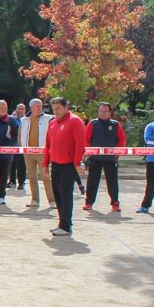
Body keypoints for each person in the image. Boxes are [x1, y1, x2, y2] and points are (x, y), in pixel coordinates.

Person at [43, 96, 86, 236]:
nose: (56, 112)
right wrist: (45, 163)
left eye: (58, 108)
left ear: (66, 107)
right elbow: (48, 144)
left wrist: (77, 162)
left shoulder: (75, 121)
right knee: (58, 195)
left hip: (68, 165)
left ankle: (65, 226)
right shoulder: (53, 123)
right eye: (54, 109)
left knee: (65, 194)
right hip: (55, 164)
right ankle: (63, 222)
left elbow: (80, 144)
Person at [83, 102, 126, 212]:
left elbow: (122, 139)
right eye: (101, 111)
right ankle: (89, 203)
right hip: (95, 158)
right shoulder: (92, 123)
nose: (103, 113)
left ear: (110, 112)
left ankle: (115, 203)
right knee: (92, 181)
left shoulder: (116, 124)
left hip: (110, 159)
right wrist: (89, 151)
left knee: (112, 182)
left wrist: (118, 153)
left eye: (105, 111)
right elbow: (86, 138)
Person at [20, 98, 54, 208]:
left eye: (40, 106)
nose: (40, 108)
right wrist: (21, 148)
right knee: (32, 177)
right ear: (31, 107)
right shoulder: (24, 120)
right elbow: (20, 135)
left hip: (43, 152)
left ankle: (52, 200)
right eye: (37, 106)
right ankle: (35, 200)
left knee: (46, 176)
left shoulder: (49, 119)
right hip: (28, 152)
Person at [7, 103, 27, 189]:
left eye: (22, 109)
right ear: (16, 109)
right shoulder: (12, 119)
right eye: (19, 108)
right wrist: (11, 118)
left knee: (21, 165)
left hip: (22, 146)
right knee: (12, 164)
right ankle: (12, 181)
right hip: (13, 145)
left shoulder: (27, 120)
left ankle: (21, 183)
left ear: (25, 110)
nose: (20, 110)